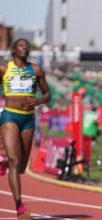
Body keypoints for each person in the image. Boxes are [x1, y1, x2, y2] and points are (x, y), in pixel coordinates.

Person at [0, 38, 51, 219]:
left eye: (27, 46)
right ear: (14, 49)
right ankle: (19, 206)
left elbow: (48, 94)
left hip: (28, 119)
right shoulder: (4, 69)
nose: (25, 48)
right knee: (15, 161)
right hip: (9, 116)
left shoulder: (36, 70)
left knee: (21, 167)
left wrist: (40, 101)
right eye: (21, 45)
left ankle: (5, 163)